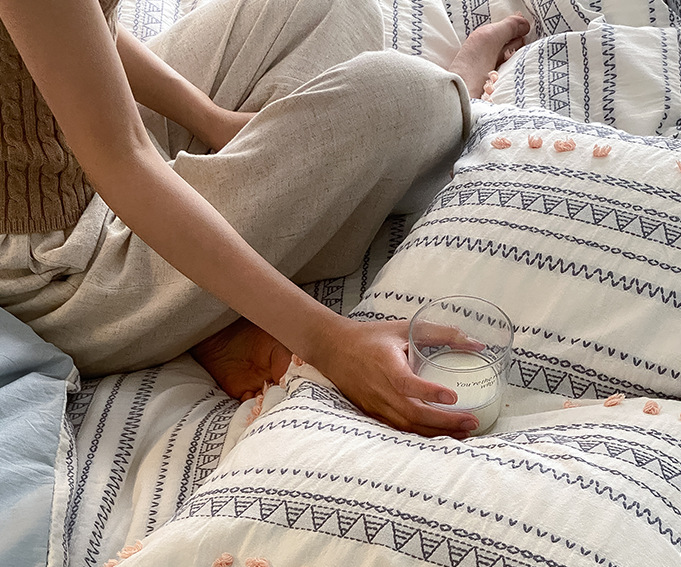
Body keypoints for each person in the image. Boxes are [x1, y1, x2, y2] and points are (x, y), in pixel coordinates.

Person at [0, 0, 528, 436]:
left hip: (74, 144)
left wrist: (215, 121)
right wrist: (327, 340)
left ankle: (208, 312)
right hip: (56, 266)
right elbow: (125, 164)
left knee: (328, 8)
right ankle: (456, 88)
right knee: (411, 99)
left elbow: (82, 29)